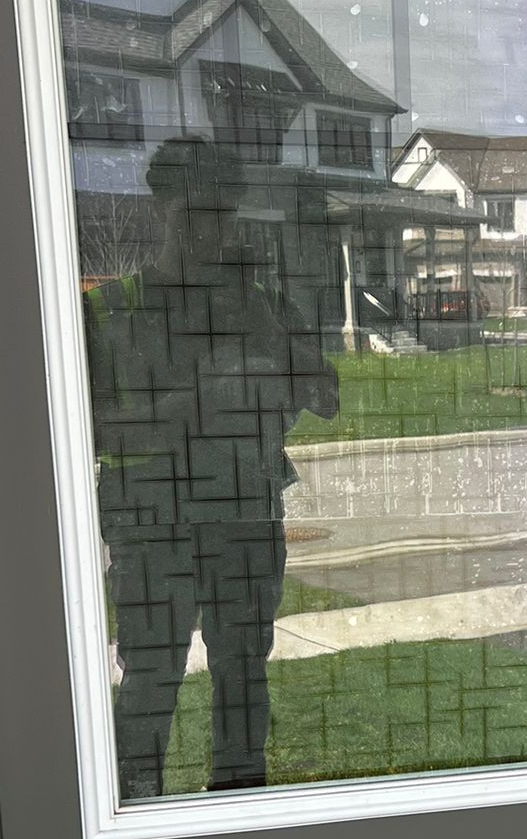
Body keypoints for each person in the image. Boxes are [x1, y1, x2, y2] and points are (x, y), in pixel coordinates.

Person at [84, 136, 340, 798]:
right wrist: (188, 405)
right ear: (161, 209)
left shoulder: (257, 305)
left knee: (244, 673)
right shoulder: (111, 311)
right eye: (195, 212)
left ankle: (240, 813)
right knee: (150, 677)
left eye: (222, 213)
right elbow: (82, 428)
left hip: (244, 514)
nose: (210, 228)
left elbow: (326, 398)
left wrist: (281, 330)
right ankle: (134, 822)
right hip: (152, 519)